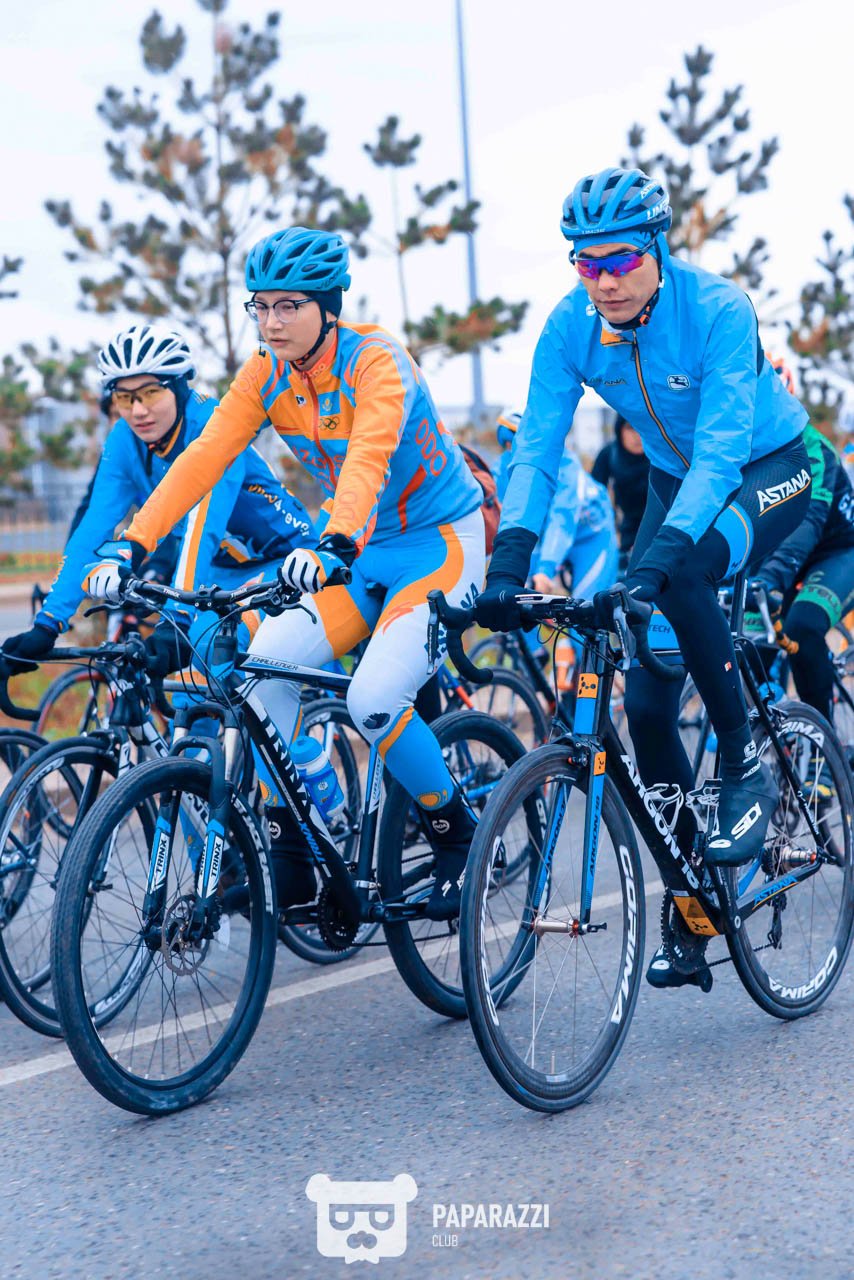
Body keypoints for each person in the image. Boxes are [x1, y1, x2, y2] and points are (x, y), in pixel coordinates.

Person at [82, 228, 486, 920]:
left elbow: (369, 457)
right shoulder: (266, 371)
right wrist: (131, 545)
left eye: (288, 306)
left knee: (375, 699)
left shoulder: (377, 360)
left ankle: (459, 836)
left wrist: (334, 540)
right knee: (261, 670)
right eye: (260, 306)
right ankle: (292, 852)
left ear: (328, 308)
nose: (271, 322)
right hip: (360, 551)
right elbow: (203, 457)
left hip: (438, 543)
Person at [474, 166, 812, 985]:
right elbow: (537, 448)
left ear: (659, 249)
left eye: (622, 259)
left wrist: (656, 562)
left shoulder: (719, 309)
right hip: (673, 480)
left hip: (765, 467)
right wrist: (509, 557)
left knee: (682, 571)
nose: (605, 280)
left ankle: (744, 760)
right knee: (648, 708)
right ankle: (691, 912)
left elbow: (722, 452)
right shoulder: (571, 326)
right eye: (587, 264)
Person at [2, 323, 316, 678]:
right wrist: (48, 623)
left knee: (212, 653)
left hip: (285, 559)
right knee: (189, 697)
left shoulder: (213, 424)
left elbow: (203, 525)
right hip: (222, 569)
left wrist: (178, 618)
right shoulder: (125, 440)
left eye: (150, 392)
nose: (138, 410)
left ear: (179, 388)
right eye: (124, 398)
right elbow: (93, 529)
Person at [752, 358, 854, 772]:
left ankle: (827, 757)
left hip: (837, 552)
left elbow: (808, 523)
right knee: (749, 641)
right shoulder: (744, 449)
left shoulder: (813, 447)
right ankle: (773, 742)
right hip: (783, 556)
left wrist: (771, 577)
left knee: (802, 627)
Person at [592, 415, 650, 571]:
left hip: (662, 526)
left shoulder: (663, 456)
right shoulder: (609, 454)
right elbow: (594, 498)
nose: (637, 435)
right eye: (630, 428)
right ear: (620, 430)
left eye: (641, 427)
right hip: (626, 529)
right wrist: (610, 534)